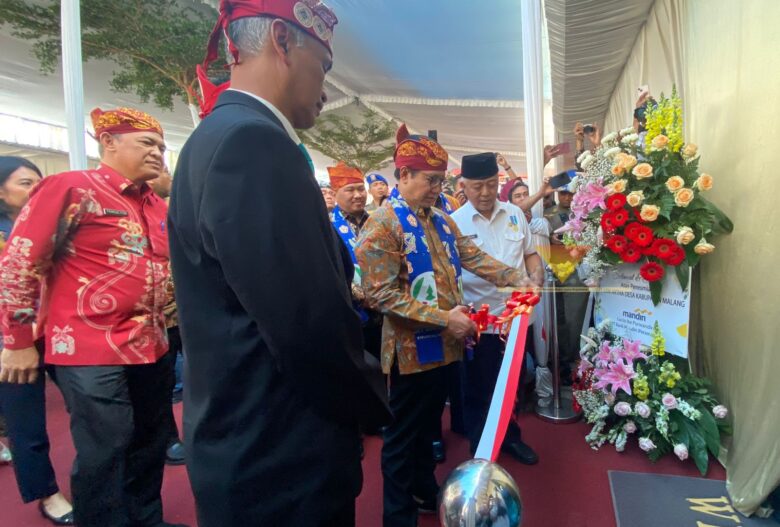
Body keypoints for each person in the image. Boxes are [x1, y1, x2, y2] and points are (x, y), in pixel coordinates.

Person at [168, 2, 391, 526]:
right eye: (325, 65)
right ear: (282, 41)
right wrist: (370, 399)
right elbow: (306, 323)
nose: (327, 89)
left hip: (248, 441)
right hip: (278, 450)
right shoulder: (253, 143)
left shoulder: (217, 136)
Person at [0, 109, 183, 527]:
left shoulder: (156, 205)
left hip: (152, 342)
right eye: (146, 144)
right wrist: (18, 340)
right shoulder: (70, 187)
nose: (158, 152)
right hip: (87, 345)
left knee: (150, 442)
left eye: (160, 146)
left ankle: (146, 521)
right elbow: (20, 261)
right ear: (110, 144)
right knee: (107, 446)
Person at [355, 124, 534, 527]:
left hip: (445, 349)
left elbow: (471, 256)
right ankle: (397, 516)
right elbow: (379, 295)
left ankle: (423, 491)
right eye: (429, 180)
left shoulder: (441, 220)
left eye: (441, 180)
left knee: (426, 430)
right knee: (401, 440)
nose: (437, 188)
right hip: (409, 354)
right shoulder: (382, 225)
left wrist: (515, 278)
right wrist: (443, 318)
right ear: (403, 177)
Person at [451, 153, 544, 465]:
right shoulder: (455, 223)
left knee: (514, 384)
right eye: (478, 187)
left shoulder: (516, 214)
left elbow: (531, 254)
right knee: (478, 387)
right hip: (481, 322)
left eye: (492, 185)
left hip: (517, 320)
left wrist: (536, 275)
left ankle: (511, 438)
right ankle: (481, 447)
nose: (486, 193)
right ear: (463, 186)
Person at [0, 156, 74, 526]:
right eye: (25, 183)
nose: (36, 190)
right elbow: (12, 289)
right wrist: (17, 341)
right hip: (11, 340)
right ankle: (46, 493)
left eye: (39, 182)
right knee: (26, 420)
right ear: (1, 191)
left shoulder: (53, 228)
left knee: (92, 405)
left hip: (57, 330)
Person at [147, 167, 186, 466]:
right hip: (158, 316)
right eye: (163, 171)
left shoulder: (166, 207)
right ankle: (168, 438)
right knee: (161, 383)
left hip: (188, 309)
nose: (168, 174)